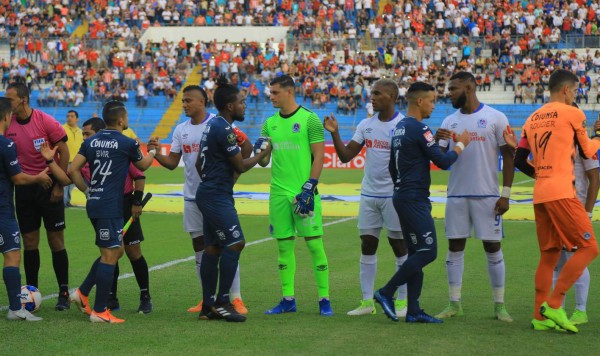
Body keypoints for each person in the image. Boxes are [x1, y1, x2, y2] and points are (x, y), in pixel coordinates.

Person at [373, 82, 470, 323]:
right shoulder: (420, 128)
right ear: (419, 101)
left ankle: (414, 310)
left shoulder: (399, 128)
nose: (434, 106)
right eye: (432, 100)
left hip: (402, 195)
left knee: (416, 252)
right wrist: (461, 144)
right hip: (414, 197)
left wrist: (402, 186)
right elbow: (444, 162)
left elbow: (392, 166)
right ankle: (386, 291)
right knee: (428, 251)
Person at [149, 85, 251, 315]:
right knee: (202, 247)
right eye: (183, 101)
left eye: (188, 100)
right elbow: (174, 162)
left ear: (202, 102)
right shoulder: (180, 130)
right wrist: (156, 152)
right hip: (192, 196)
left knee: (227, 244)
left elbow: (245, 146)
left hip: (214, 194)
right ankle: (208, 299)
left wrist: (232, 178)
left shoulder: (219, 124)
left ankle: (235, 298)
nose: (184, 104)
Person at [514, 69, 600, 333]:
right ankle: (554, 303)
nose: (575, 95)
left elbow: (519, 161)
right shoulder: (573, 113)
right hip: (562, 191)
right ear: (566, 90)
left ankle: (539, 317)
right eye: (575, 91)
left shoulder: (531, 118)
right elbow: (588, 150)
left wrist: (540, 174)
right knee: (589, 248)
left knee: (549, 255)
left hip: (540, 193)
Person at [323, 79, 408, 317]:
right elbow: (346, 156)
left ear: (391, 96)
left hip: (393, 196)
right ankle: (367, 302)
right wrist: (336, 133)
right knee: (367, 245)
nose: (372, 97)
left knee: (399, 246)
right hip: (369, 195)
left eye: (377, 93)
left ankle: (402, 301)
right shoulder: (366, 125)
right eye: (372, 93)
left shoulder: (403, 125)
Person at [67, 101, 157, 323]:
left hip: (95, 203)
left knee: (114, 251)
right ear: (120, 120)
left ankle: (82, 293)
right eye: (126, 117)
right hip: (111, 205)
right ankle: (99, 311)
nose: (127, 121)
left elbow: (72, 169)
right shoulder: (126, 143)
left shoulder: (91, 141)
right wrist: (153, 150)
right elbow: (143, 167)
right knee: (110, 255)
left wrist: (88, 191)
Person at [435, 72, 515, 322]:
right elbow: (441, 162)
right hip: (457, 195)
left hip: (488, 196)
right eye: (449, 89)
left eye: (453, 89)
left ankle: (500, 305)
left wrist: (506, 194)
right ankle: (454, 303)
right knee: (454, 247)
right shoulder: (449, 121)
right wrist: (438, 141)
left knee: (492, 248)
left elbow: (509, 157)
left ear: (469, 87)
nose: (449, 93)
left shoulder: (495, 118)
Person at [194, 77, 271, 322]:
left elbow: (199, 163)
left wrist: (218, 180)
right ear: (230, 106)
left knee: (213, 248)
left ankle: (207, 307)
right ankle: (223, 301)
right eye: (241, 102)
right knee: (236, 243)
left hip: (210, 191)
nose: (244, 106)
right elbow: (241, 164)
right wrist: (264, 153)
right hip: (216, 195)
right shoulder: (224, 129)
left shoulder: (212, 125)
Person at [260, 74, 332, 316]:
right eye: (271, 93)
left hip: (304, 192)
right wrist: (260, 150)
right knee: (283, 247)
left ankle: (324, 299)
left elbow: (320, 155)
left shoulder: (310, 120)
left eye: (275, 93)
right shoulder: (269, 123)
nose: (271, 97)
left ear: (289, 92)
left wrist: (310, 186)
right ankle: (288, 299)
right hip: (278, 194)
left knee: (314, 245)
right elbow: (264, 162)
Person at [4, 82, 71, 310]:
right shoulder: (7, 123)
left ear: (23, 99)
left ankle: (63, 291)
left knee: (56, 241)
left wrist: (59, 186)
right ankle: (32, 292)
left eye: (10, 98)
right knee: (30, 243)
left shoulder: (45, 120)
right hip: (24, 190)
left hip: (49, 186)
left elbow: (64, 150)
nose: (6, 102)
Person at [0, 97, 52, 321]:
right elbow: (19, 179)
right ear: (6, 117)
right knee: (12, 255)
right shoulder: (6, 144)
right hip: (2, 210)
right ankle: (15, 309)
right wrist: (39, 177)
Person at [62, 110, 83, 207]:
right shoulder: (62, 129)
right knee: (64, 182)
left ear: (77, 119)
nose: (69, 118)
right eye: (68, 116)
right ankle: (62, 201)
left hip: (77, 162)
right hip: (65, 161)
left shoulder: (80, 132)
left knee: (72, 184)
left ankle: (67, 201)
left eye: (72, 116)